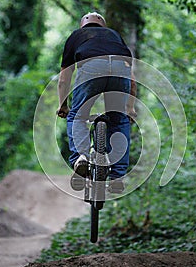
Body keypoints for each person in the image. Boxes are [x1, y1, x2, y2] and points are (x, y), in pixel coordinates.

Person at [56, 11, 137, 193]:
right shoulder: (115, 36)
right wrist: (129, 109)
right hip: (119, 70)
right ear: (103, 25)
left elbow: (64, 79)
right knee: (119, 120)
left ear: (82, 25)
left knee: (77, 116)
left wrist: (63, 105)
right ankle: (117, 176)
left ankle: (80, 157)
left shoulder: (76, 36)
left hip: (91, 67)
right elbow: (131, 78)